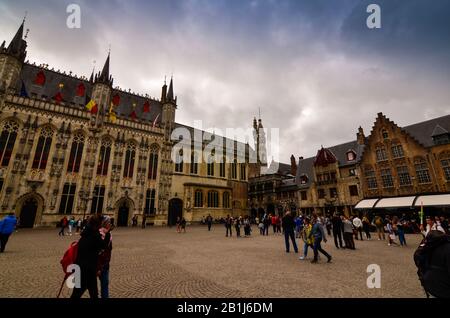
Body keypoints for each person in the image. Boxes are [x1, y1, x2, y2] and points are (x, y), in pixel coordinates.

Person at [71, 215, 110, 298]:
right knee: (90, 293)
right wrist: (108, 233)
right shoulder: (95, 235)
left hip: (79, 267)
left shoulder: (85, 234)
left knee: (79, 293)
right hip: (88, 270)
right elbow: (103, 246)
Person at [416, 230, 450, 298]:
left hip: (428, 282)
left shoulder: (426, 246)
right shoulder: (447, 248)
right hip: (443, 288)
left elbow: (417, 259)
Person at [98, 216, 113, 298]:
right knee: (86, 285)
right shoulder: (98, 234)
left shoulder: (109, 234)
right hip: (96, 264)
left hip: (105, 263)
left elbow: (109, 249)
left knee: (105, 283)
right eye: (108, 223)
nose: (110, 224)